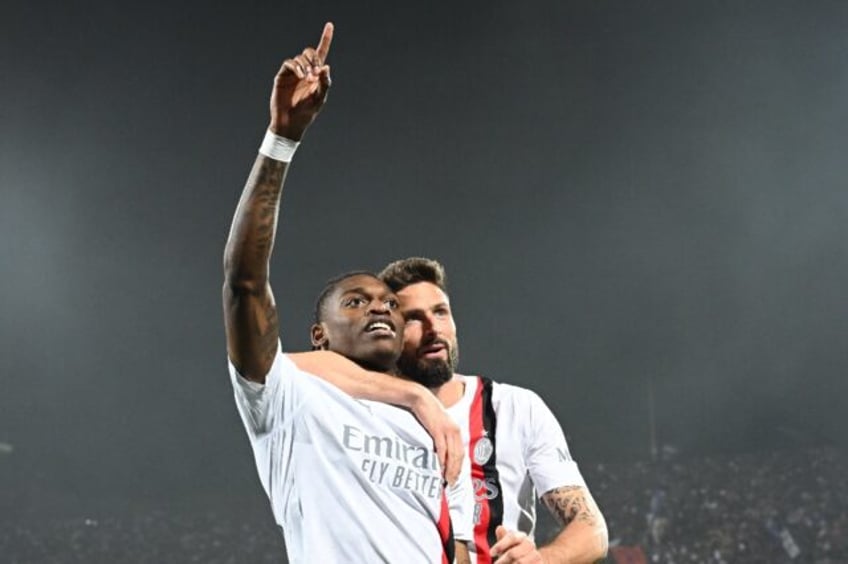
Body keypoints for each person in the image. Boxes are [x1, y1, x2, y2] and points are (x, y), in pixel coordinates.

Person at [222, 23, 472, 563]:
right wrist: (282, 140)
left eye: (388, 302)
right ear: (319, 335)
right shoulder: (287, 395)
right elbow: (244, 284)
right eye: (356, 301)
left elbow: (455, 543)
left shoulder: (433, 419)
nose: (380, 305)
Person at [379, 257, 609, 564]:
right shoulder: (368, 415)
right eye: (413, 318)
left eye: (441, 312)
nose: (433, 328)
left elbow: (591, 529)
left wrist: (542, 560)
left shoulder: (516, 408)